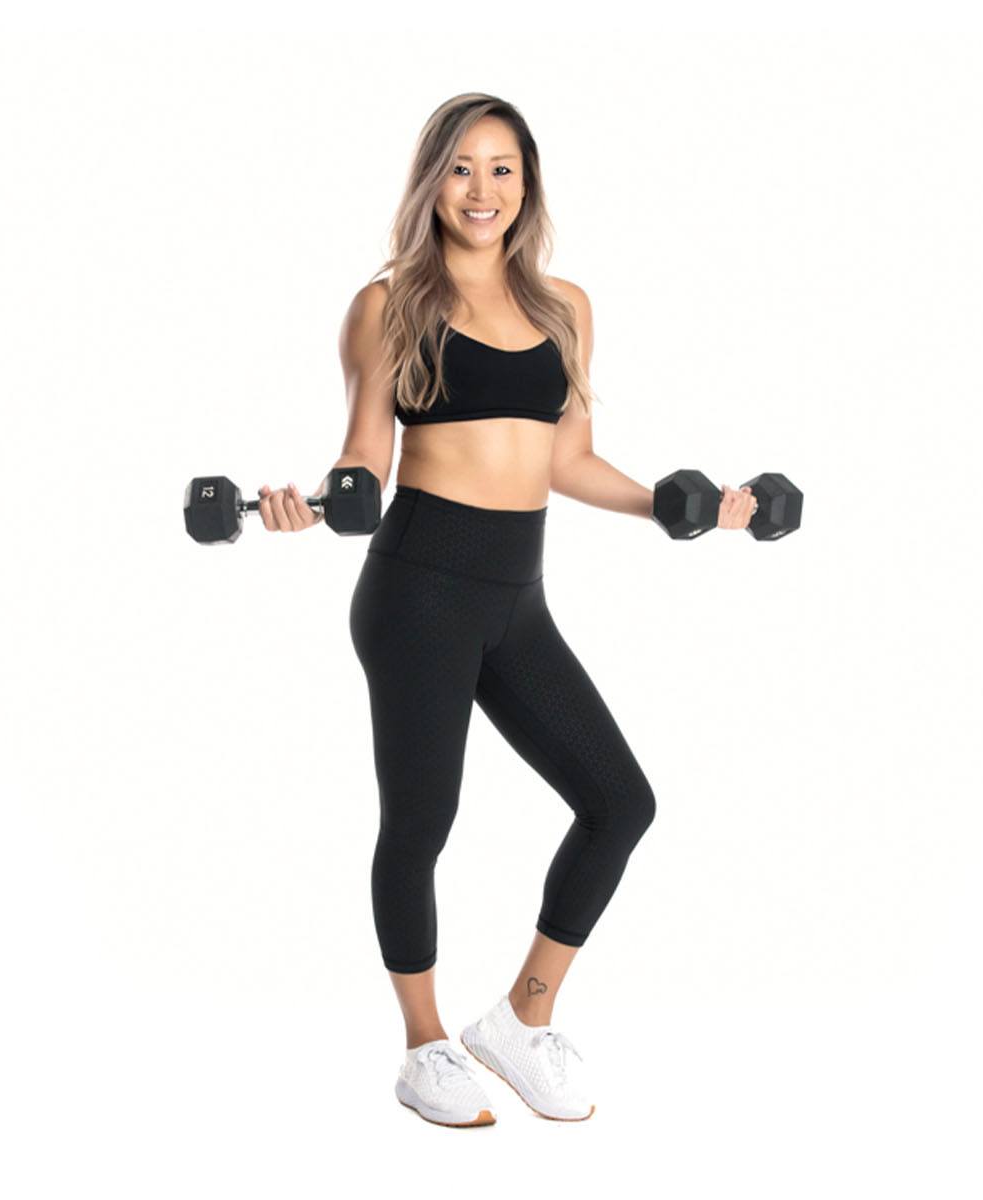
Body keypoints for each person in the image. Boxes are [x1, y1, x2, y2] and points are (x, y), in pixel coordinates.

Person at [253, 94, 759, 1127]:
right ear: (429, 180)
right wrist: (311, 501)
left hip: (515, 599)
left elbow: (566, 459)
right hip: (415, 593)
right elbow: (364, 455)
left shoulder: (563, 305)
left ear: (526, 185)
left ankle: (518, 1020)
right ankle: (423, 1044)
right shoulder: (388, 304)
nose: (481, 192)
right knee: (422, 820)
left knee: (620, 801)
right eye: (460, 169)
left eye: (502, 170)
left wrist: (688, 506)